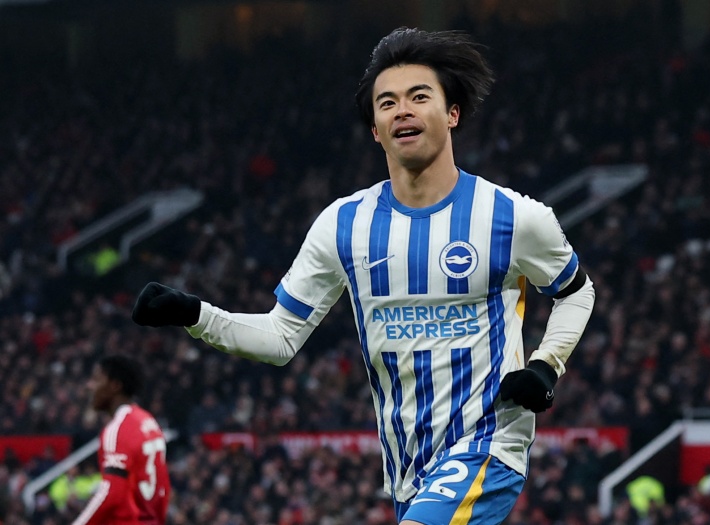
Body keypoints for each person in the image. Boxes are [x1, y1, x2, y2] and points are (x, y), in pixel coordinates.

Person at [132, 27, 595, 525]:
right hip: (407, 472)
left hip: (488, 447)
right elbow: (281, 337)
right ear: (375, 129)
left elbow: (576, 292)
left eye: (419, 97)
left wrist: (546, 365)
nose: (403, 110)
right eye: (387, 103)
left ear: (453, 113)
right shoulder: (344, 226)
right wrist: (195, 314)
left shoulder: (513, 217)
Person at [72, 355, 170, 524]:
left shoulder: (117, 429)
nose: (90, 386)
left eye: (96, 380)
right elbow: (163, 488)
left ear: (115, 386)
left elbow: (112, 491)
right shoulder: (149, 423)